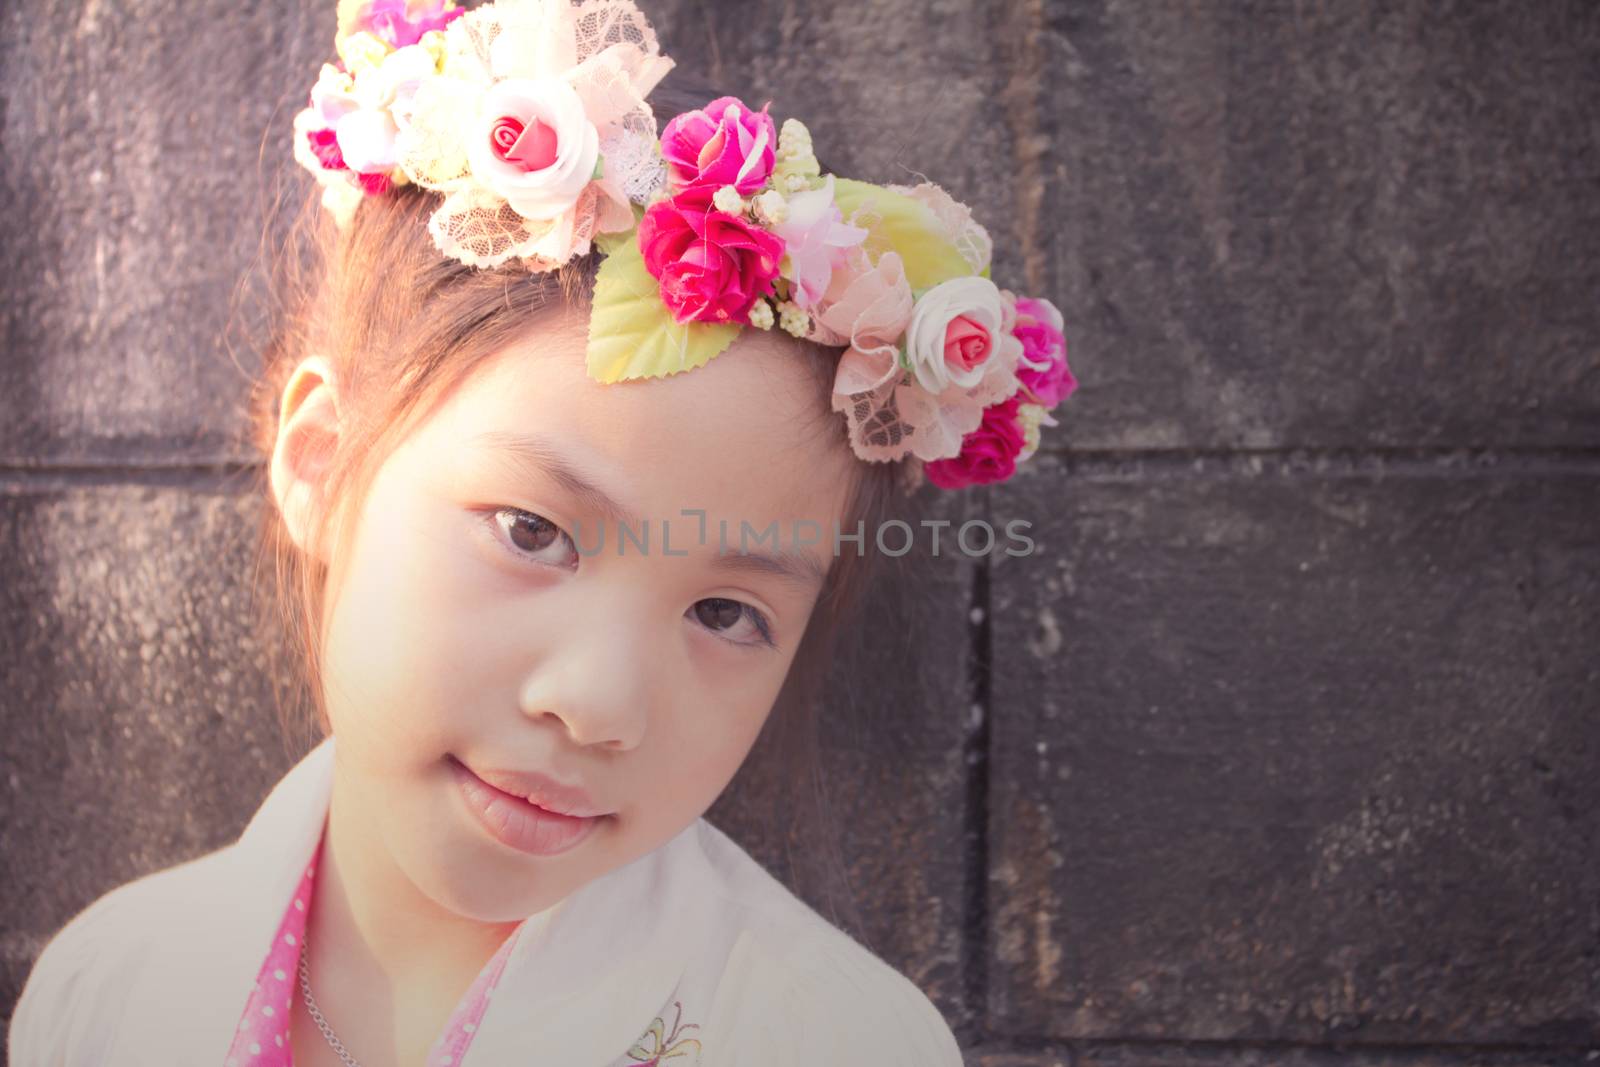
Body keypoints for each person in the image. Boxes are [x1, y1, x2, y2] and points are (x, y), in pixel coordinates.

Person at [6, 0, 1075, 1063]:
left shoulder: (828, 1041)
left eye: (724, 610)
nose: (597, 701)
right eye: (529, 531)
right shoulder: (107, 992)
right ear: (324, 460)